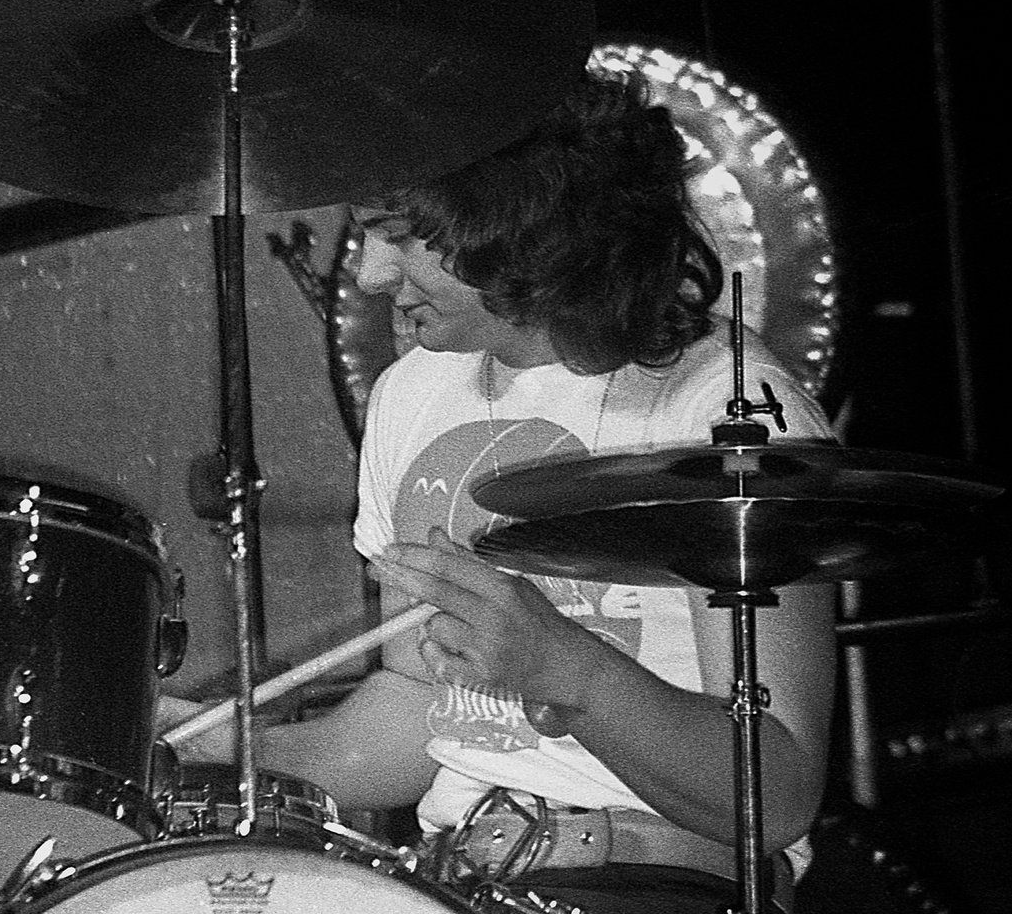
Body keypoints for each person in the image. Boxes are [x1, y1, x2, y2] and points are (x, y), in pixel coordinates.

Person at [161, 67, 837, 914]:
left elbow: (774, 796)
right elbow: (417, 716)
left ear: (510, 222)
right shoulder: (412, 394)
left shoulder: (728, 411)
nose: (368, 276)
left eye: (395, 235)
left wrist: (567, 671)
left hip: (655, 879)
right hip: (457, 875)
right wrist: (231, 749)